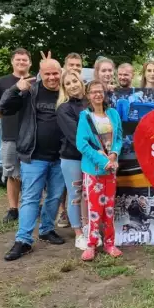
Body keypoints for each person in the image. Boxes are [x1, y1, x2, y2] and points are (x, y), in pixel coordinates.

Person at [1, 59, 67, 261]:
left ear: (60, 73)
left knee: (55, 197)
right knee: (30, 198)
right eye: (47, 74)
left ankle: (47, 229)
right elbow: (4, 107)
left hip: (60, 156)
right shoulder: (30, 91)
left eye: (55, 73)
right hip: (34, 155)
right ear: (40, 74)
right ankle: (23, 240)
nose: (52, 77)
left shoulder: (66, 91)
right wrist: (15, 89)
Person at [76, 80, 124, 261]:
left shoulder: (112, 114)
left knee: (109, 209)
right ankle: (91, 244)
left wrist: (113, 154)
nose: (97, 95)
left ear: (104, 94)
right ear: (88, 95)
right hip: (94, 170)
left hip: (110, 170)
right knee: (94, 209)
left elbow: (118, 137)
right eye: (93, 92)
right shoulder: (84, 116)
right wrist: (101, 160)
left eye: (100, 91)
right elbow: (82, 143)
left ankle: (110, 243)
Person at [0, 48, 32, 223]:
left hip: (31, 135)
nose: (21, 62)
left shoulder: (36, 81)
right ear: (12, 62)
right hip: (10, 135)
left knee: (32, 173)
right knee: (12, 173)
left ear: (30, 62)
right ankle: (13, 208)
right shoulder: (2, 82)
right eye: (18, 60)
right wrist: (8, 118)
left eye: (24, 60)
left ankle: (32, 205)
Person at [56, 70, 87, 250]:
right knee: (75, 195)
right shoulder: (63, 108)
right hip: (73, 158)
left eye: (74, 81)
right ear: (64, 88)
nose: (72, 85)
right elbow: (76, 136)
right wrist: (97, 152)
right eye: (67, 83)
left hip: (92, 159)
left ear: (80, 82)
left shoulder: (89, 103)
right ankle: (78, 234)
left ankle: (90, 228)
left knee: (89, 195)